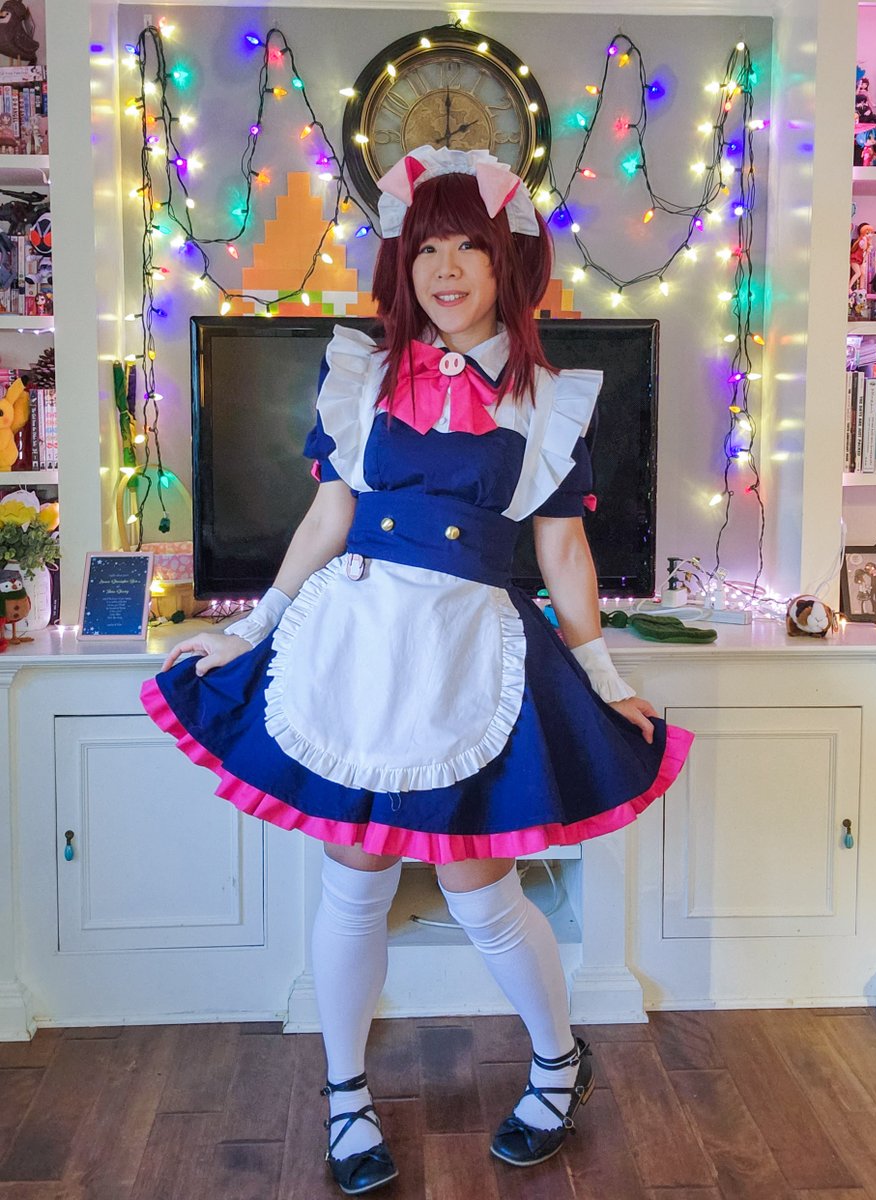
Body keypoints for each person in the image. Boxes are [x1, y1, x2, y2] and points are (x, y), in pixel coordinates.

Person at [141, 144, 693, 1197]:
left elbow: (563, 551)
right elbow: (328, 515)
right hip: (356, 647)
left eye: (469, 248)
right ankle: (345, 1095)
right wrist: (253, 628)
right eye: (427, 247)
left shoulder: (550, 402)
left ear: (506, 264)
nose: (445, 268)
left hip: (466, 652)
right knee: (353, 879)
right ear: (403, 262)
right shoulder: (360, 375)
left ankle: (558, 1063)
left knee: (480, 888)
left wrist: (604, 676)